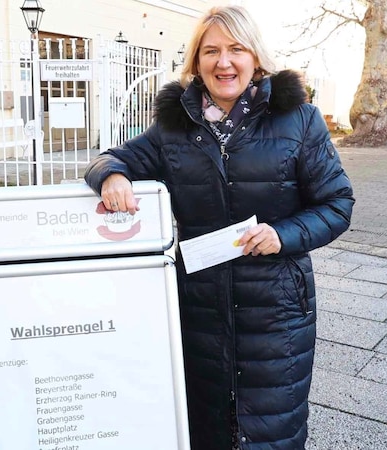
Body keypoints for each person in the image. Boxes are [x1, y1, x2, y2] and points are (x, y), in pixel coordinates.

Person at [84, 5, 354, 449]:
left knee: (273, 427)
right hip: (199, 305)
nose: (223, 62)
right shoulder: (174, 128)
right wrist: (111, 176)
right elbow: (108, 158)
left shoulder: (300, 120)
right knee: (203, 425)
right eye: (210, 51)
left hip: (277, 308)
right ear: (195, 62)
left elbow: (337, 204)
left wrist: (281, 235)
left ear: (255, 57)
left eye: (235, 49)